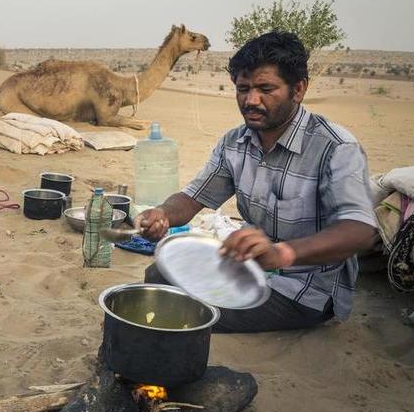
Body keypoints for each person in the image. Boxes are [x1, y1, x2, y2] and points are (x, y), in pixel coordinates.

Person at [136, 32, 378, 333]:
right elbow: (191, 198)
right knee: (159, 277)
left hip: (303, 289)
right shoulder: (235, 142)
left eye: (266, 89)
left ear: (298, 89)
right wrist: (162, 213)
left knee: (178, 306)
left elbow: (360, 231)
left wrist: (282, 253)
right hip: (247, 269)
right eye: (243, 89)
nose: (251, 100)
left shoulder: (336, 147)